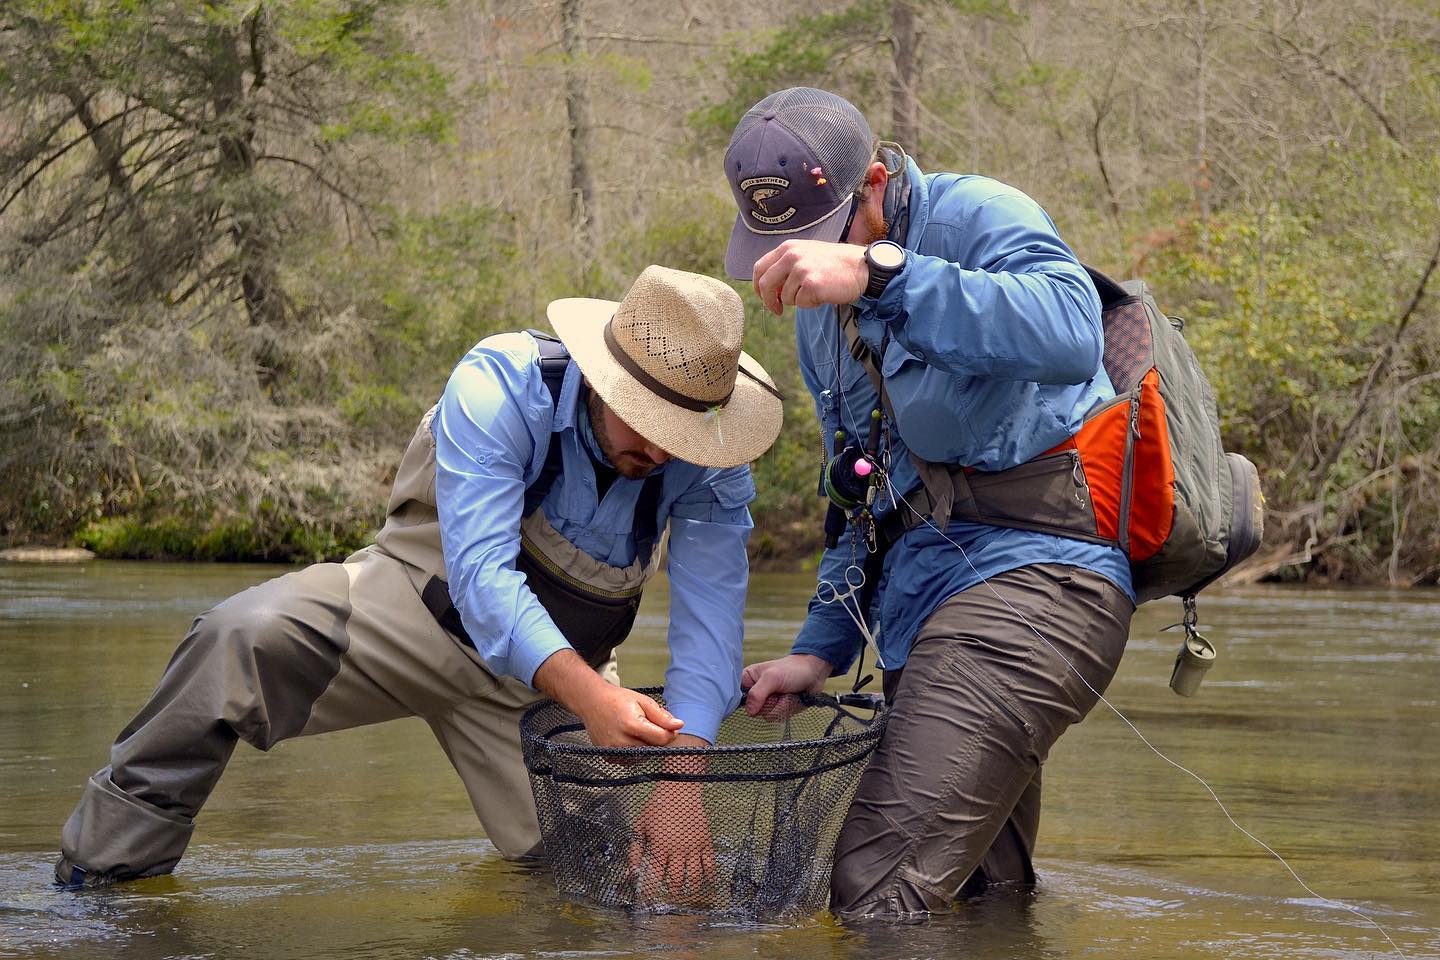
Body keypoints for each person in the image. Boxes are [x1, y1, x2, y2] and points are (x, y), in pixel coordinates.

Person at [56, 265, 785, 896]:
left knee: (605, 885)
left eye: (681, 429)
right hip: (412, 612)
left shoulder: (713, 464)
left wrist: (684, 779)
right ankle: (105, 885)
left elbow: (709, 627)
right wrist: (593, 697)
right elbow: (481, 578)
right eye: (643, 419)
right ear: (602, 379)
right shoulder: (500, 384)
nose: (661, 448)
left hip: (550, 690)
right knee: (237, 639)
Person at [723, 87, 1135, 917]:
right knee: (986, 896)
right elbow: (858, 487)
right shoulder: (817, 317)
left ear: (874, 182)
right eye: (783, 245)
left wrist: (884, 272)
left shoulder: (977, 214)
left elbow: (1071, 330)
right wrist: (820, 648)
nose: (803, 261)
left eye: (818, 236)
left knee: (874, 888)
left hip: (1046, 582)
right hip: (925, 599)